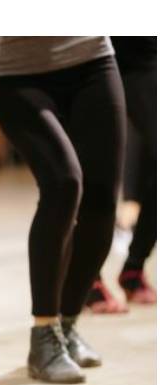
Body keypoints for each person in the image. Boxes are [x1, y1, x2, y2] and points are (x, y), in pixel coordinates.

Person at [0, 37, 127, 383]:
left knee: (102, 198)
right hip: (15, 71)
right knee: (63, 184)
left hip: (91, 57)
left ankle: (67, 324)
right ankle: (44, 335)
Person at [85, 36, 157, 312]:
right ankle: (87, 279)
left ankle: (134, 267)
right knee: (89, 168)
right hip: (86, 55)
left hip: (142, 52)